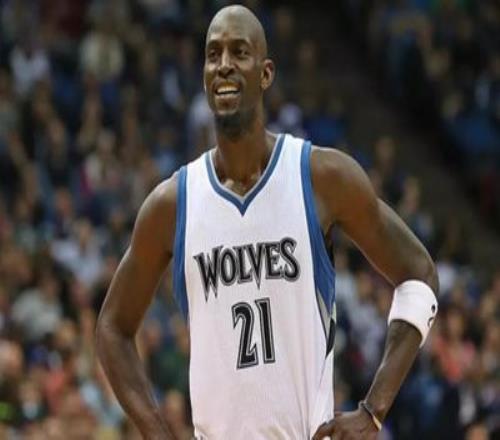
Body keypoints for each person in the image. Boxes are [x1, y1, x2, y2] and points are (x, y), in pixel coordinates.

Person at [96, 5, 439, 440]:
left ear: (266, 73)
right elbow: (112, 328)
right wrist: (157, 433)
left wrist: (374, 410)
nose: (223, 65)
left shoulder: (321, 177)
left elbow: (419, 274)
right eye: (213, 54)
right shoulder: (173, 204)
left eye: (239, 52)